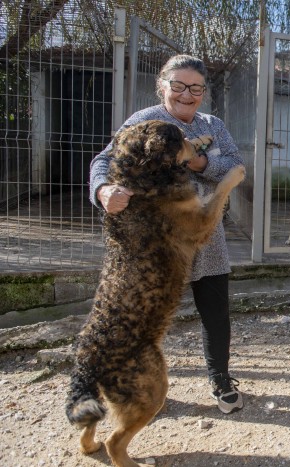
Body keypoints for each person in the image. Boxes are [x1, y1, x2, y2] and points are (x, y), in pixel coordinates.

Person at [89, 54, 245, 414]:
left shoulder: (213, 125)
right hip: (154, 243)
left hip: (206, 237)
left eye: (195, 88)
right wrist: (102, 191)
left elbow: (234, 166)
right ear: (162, 86)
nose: (186, 95)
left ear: (203, 92)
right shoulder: (144, 121)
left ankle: (220, 379)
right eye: (177, 86)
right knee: (140, 318)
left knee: (216, 313)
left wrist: (196, 160)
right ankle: (128, 388)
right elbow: (104, 160)